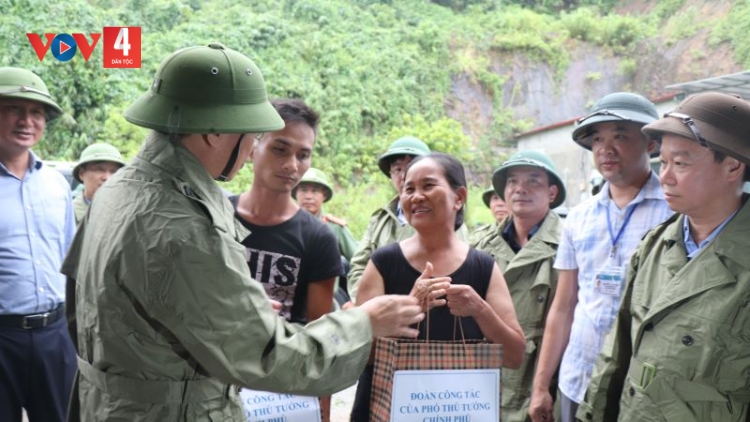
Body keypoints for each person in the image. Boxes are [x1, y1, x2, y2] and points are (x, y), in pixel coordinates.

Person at [60, 42, 424, 421]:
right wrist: (365, 323)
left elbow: (79, 302)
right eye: (251, 133)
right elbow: (267, 356)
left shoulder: (117, 190)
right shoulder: (183, 224)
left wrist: (226, 313)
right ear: (214, 133)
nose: (252, 146)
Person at [578, 92, 750, 422]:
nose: (666, 177)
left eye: (681, 164)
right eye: (665, 163)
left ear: (732, 166)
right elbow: (616, 354)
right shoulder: (656, 244)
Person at [529, 92, 673, 422]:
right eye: (597, 139)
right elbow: (563, 307)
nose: (605, 149)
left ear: (650, 144)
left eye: (620, 136)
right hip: (579, 377)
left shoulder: (676, 212)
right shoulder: (578, 218)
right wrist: (540, 388)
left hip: (643, 384)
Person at [351, 152, 526, 421]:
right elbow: (356, 354)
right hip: (386, 408)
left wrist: (479, 309)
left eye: (428, 186)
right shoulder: (383, 263)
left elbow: (514, 356)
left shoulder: (482, 267)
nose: (416, 196)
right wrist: (410, 309)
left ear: (459, 197)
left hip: (458, 411)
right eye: (409, 189)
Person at [230, 99, 338, 421]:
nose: (292, 164)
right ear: (252, 147)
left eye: (303, 155)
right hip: (213, 376)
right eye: (280, 149)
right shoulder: (217, 218)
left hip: (280, 390)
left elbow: (321, 338)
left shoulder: (318, 238)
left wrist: (323, 412)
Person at [0, 67, 76, 422]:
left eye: (36, 113)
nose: (26, 121)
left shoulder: (56, 184)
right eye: (13, 109)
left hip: (54, 335)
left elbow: (69, 258)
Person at [472, 150, 566, 422]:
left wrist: (543, 387)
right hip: (485, 374)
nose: (520, 189)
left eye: (533, 181)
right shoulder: (480, 244)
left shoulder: (569, 243)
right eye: (512, 181)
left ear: (551, 192)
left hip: (538, 378)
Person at [347, 135, 430, 301]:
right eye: (398, 169)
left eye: (411, 168)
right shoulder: (379, 220)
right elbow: (359, 265)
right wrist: (364, 302)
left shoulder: (443, 218)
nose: (404, 176)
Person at [293, 166, 358, 308]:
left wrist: (356, 298)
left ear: (324, 195)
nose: (308, 196)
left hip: (324, 302)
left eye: (315, 191)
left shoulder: (334, 227)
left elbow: (360, 260)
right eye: (303, 190)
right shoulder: (285, 224)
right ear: (296, 193)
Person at [71, 142, 125, 224]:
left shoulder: (126, 214)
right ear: (81, 173)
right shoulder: (68, 213)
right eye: (99, 169)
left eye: (114, 171)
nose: (107, 177)